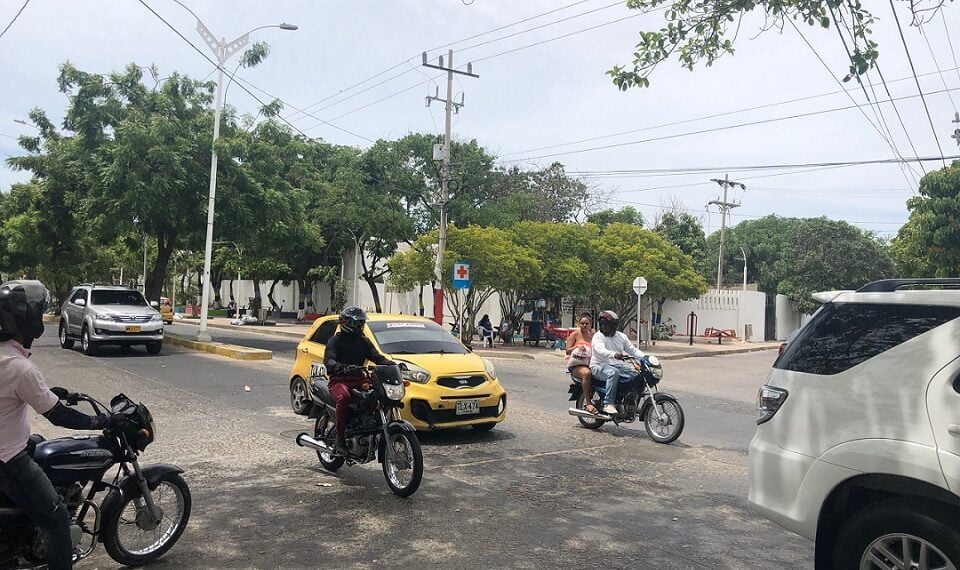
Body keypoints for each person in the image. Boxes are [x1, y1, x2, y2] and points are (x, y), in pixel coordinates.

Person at [0, 280, 124, 570]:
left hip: (11, 445)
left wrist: (49, 393)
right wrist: (102, 420)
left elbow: (17, 394)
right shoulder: (20, 368)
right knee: (55, 519)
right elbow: (59, 416)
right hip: (8, 460)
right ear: (28, 321)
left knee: (39, 443)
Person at [323, 306, 393, 454]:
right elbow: (329, 360)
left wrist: (392, 364)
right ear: (346, 323)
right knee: (344, 397)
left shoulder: (364, 341)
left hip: (359, 379)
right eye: (357, 323)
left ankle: (373, 424)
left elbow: (377, 357)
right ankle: (340, 439)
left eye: (362, 322)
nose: (360, 326)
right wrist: (340, 367)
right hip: (339, 380)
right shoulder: (335, 340)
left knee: (381, 394)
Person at [590, 310, 646, 416]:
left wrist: (645, 358)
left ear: (614, 325)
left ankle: (631, 401)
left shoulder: (621, 337)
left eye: (607, 324)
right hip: (598, 366)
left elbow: (632, 350)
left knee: (637, 374)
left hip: (617, 366)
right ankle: (608, 403)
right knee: (613, 372)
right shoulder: (598, 336)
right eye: (602, 324)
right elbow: (599, 350)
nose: (604, 327)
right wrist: (614, 354)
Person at [565, 313, 596, 413]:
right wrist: (577, 347)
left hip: (591, 363)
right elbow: (567, 351)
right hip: (576, 365)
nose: (584, 325)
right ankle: (588, 402)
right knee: (587, 373)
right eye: (582, 323)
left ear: (590, 324)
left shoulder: (593, 335)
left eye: (586, 323)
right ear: (579, 324)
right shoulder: (575, 334)